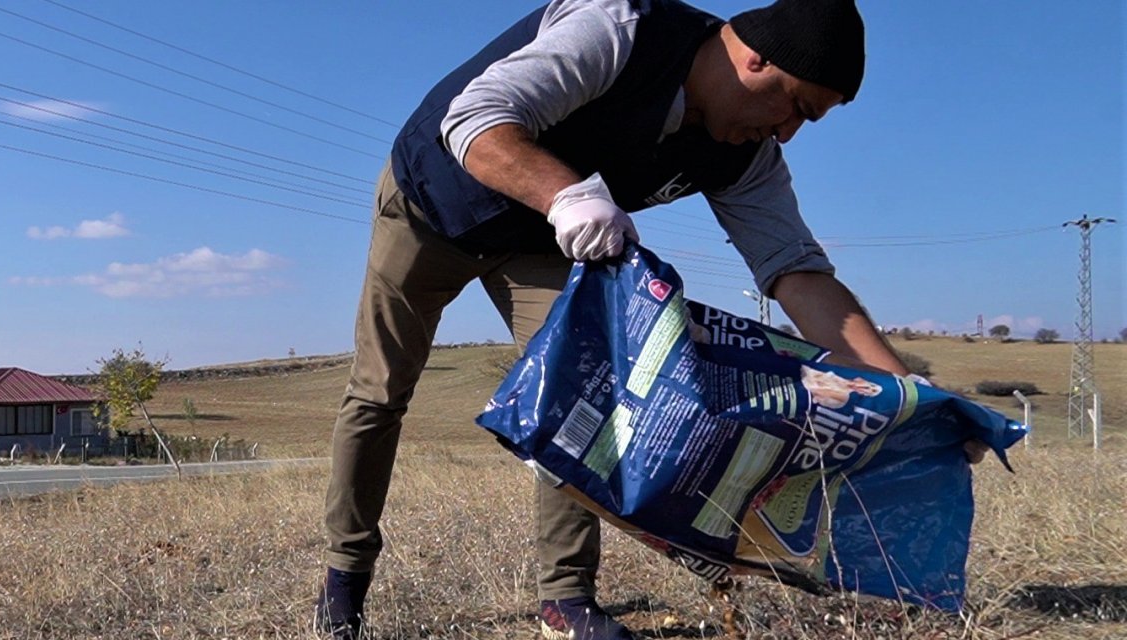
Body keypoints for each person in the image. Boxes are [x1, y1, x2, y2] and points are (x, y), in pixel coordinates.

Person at [315, 1, 980, 638]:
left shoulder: (745, 154)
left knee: (585, 398)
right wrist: (567, 195)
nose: (785, 133)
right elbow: (477, 120)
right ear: (753, 61)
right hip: (433, 203)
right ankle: (345, 581)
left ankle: (565, 600)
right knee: (380, 394)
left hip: (540, 240)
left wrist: (913, 402)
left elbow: (797, 273)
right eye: (794, 108)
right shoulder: (619, 28)